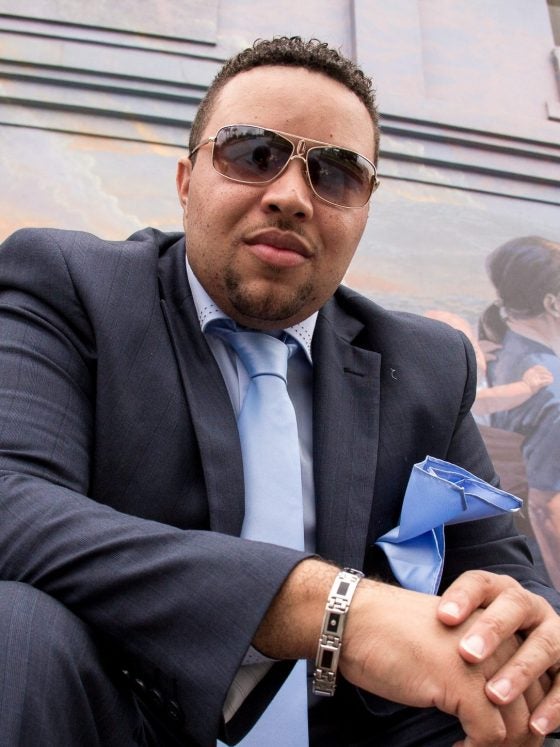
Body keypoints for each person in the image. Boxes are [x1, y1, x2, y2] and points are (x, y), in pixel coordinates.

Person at [0, 37, 560, 747]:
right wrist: (335, 610)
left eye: (335, 173)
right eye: (252, 153)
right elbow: (12, 503)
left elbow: (499, 564)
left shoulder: (426, 364)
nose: (291, 197)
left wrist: (524, 629)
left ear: (364, 210)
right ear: (186, 180)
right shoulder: (71, 285)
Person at [480, 236, 560, 590]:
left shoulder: (500, 346)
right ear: (552, 303)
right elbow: (547, 509)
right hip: (536, 562)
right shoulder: (551, 389)